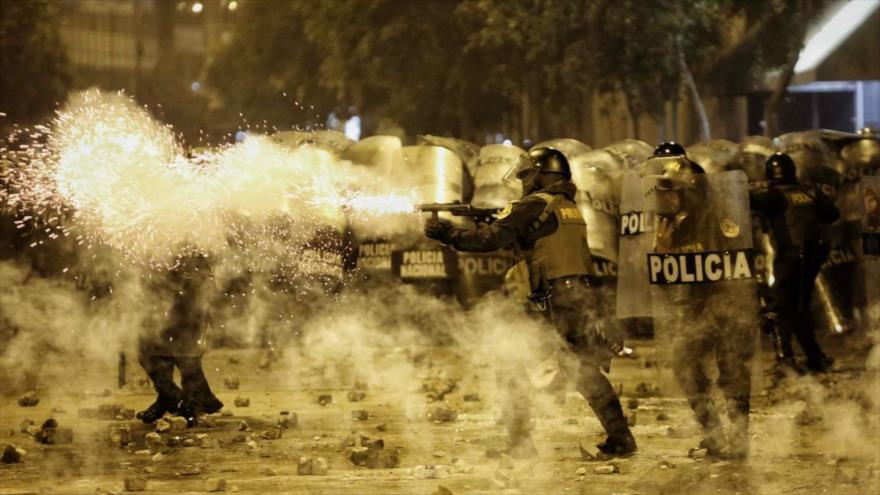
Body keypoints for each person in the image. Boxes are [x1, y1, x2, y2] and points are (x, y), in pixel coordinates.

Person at [424, 147, 636, 457]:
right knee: (583, 370)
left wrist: (448, 234)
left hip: (547, 297)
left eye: (527, 175)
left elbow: (488, 240)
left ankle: (520, 443)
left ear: (542, 177)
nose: (524, 182)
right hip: (576, 295)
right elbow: (532, 236)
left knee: (510, 360)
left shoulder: (533, 205)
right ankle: (621, 437)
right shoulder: (567, 207)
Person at [646, 142, 756, 459]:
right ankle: (714, 434)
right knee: (684, 363)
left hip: (729, 308)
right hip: (697, 310)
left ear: (690, 192)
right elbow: (666, 282)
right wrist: (662, 251)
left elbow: (736, 270)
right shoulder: (672, 226)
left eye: (672, 192)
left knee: (732, 371)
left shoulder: (719, 221)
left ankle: (737, 441)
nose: (665, 199)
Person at [751, 153, 840, 373]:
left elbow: (748, 201)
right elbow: (831, 214)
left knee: (779, 308)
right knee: (797, 308)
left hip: (790, 256)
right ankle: (816, 358)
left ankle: (786, 360)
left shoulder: (774, 196)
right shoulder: (810, 191)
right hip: (813, 255)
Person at [137, 253, 223, 426]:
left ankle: (187, 405)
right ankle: (179, 400)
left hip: (188, 307)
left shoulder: (191, 250)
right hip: (164, 307)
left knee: (187, 359)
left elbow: (205, 284)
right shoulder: (159, 245)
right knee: (151, 353)